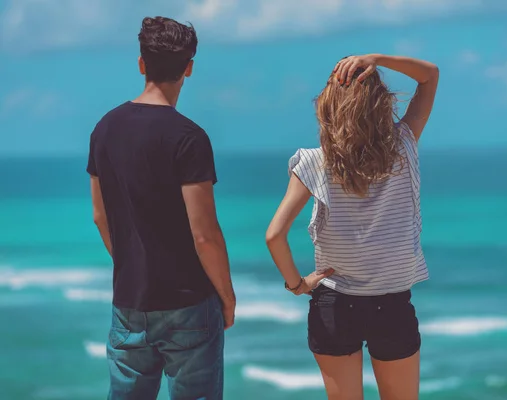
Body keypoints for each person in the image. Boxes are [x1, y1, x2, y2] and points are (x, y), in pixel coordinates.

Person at [266, 54, 439, 400]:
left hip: (334, 303)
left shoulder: (314, 162)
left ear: (328, 107)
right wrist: (378, 58)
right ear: (380, 103)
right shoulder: (403, 146)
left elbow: (274, 235)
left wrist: (297, 284)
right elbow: (429, 76)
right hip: (392, 305)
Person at [87, 16, 235, 400]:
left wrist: (133, 266)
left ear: (141, 64)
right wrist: (227, 296)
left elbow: (100, 216)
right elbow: (205, 234)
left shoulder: (104, 129)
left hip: (130, 302)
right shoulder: (189, 138)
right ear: (189, 68)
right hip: (189, 303)